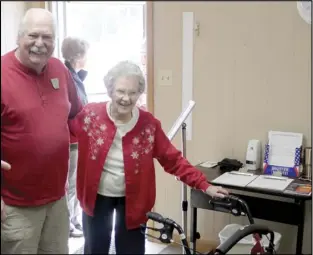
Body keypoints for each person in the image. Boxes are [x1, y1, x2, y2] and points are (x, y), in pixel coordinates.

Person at [69, 61, 229, 254]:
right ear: (110, 90)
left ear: (139, 93)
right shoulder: (90, 115)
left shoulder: (148, 125)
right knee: (95, 248)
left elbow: (173, 159)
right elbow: (62, 132)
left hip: (134, 199)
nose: (126, 98)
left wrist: (205, 185)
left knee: (131, 250)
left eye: (133, 92)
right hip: (96, 196)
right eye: (120, 91)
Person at [1, 8, 82, 254]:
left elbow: (75, 115)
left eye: (47, 37)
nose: (40, 44)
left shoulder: (59, 69)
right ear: (19, 37)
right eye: (33, 36)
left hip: (57, 201)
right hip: (16, 205)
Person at [62, 36, 90, 238]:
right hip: (71, 139)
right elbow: (74, 108)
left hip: (78, 138)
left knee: (75, 181)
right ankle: (69, 222)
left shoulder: (76, 76)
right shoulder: (68, 77)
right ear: (78, 55)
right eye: (85, 54)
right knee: (71, 183)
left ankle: (74, 219)